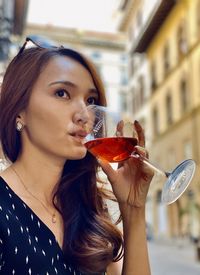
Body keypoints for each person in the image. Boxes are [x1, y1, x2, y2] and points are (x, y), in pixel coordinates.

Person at [0, 37, 154, 275]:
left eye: (91, 100)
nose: (85, 115)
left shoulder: (89, 211)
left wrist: (133, 210)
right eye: (62, 93)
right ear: (19, 109)